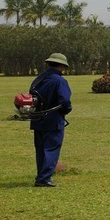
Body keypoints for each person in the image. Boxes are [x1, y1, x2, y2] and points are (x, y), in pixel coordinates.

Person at [28, 52, 73, 188]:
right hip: (53, 120)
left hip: (38, 118)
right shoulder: (59, 80)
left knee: (41, 149)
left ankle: (41, 175)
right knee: (51, 148)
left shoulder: (39, 78)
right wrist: (66, 110)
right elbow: (65, 100)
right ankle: (44, 178)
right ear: (61, 65)